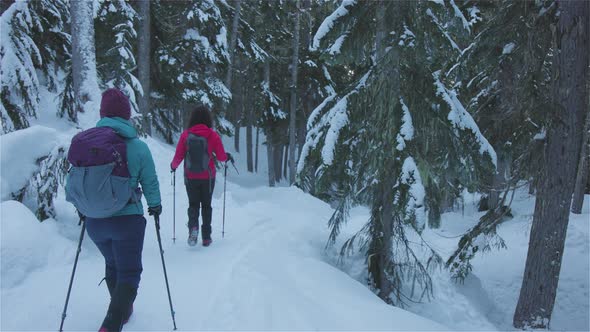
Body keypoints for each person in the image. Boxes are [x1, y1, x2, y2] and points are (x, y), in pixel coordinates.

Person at [66, 88, 162, 332]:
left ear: (103, 114)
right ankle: (112, 322)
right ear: (126, 115)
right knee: (129, 271)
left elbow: (72, 181)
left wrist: (82, 208)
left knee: (112, 262)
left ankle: (121, 310)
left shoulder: (87, 144)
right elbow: (149, 181)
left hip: (95, 222)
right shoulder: (137, 147)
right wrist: (155, 206)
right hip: (127, 220)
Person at [170, 105, 233, 247]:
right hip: (208, 177)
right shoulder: (212, 135)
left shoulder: (186, 135)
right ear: (207, 119)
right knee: (206, 205)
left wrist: (173, 166)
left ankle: (193, 228)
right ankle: (206, 237)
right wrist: (227, 157)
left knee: (193, 204)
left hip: (190, 176)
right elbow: (222, 157)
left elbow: (179, 156)